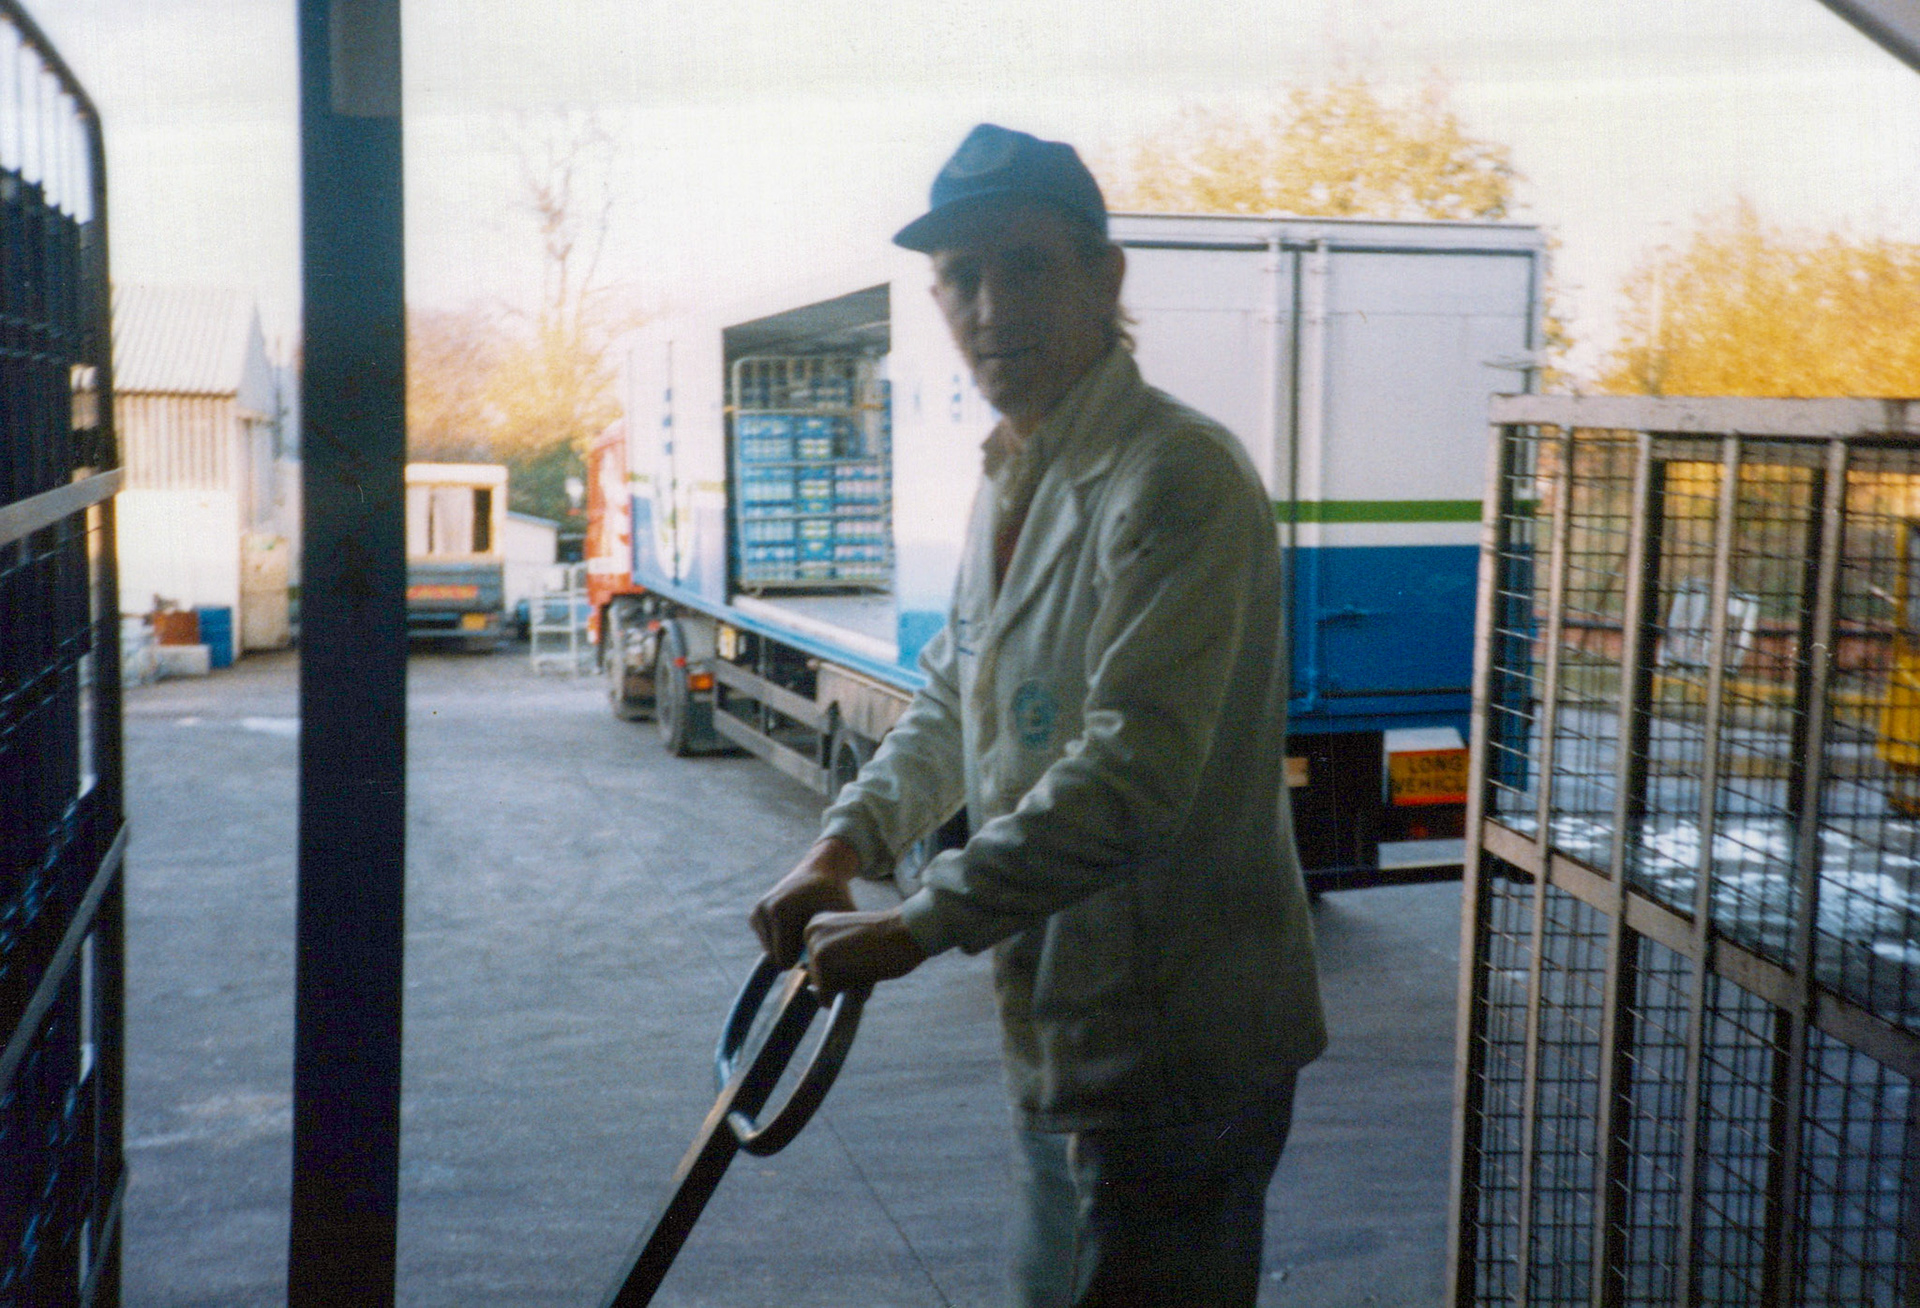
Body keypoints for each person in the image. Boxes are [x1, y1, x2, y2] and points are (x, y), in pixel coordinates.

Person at [750, 123, 1326, 1308]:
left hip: (1183, 1047)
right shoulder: (1015, 470)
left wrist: (919, 923)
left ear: (1105, 278)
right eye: (960, 275)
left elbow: (1133, 775)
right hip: (1069, 1025)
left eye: (1026, 265)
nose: (991, 307)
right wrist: (845, 843)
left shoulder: (1175, 476)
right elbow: (955, 696)